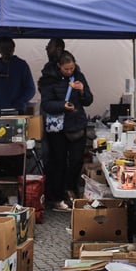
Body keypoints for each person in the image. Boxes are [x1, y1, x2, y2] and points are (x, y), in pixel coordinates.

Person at [38, 51, 93, 212]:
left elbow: (88, 100)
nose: (70, 71)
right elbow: (46, 104)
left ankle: (71, 190)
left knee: (76, 160)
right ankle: (58, 197)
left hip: (77, 124)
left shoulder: (78, 76)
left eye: (72, 68)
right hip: (57, 128)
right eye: (66, 69)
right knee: (58, 162)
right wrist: (62, 106)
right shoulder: (48, 80)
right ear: (59, 66)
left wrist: (82, 90)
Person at [0, 37, 35, 115]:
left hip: (17, 111)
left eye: (9, 48)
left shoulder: (21, 65)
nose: (6, 51)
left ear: (13, 48)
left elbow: (31, 89)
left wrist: (20, 101)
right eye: (3, 48)